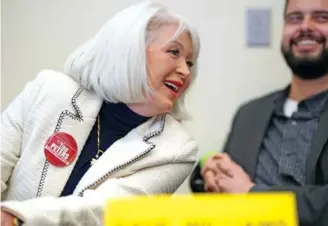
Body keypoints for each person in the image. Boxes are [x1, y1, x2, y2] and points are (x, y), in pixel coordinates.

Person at [0, 1, 201, 225]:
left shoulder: (178, 149)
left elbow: (105, 211)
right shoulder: (47, 90)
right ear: (128, 50)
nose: (185, 71)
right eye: (174, 52)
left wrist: (18, 217)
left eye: (190, 63)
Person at [190, 0, 328, 225]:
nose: (305, 27)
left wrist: (253, 195)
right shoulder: (249, 114)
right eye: (295, 18)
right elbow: (226, 186)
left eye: (322, 17)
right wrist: (210, 171)